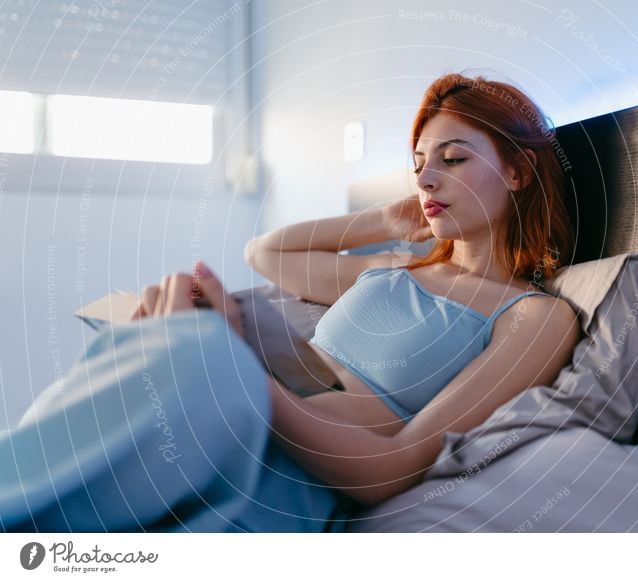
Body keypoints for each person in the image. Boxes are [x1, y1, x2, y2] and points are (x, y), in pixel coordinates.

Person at [1, 72, 580, 533]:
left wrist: (241, 368)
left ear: (517, 169)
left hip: (283, 475)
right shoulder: (390, 272)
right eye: (419, 164)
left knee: (195, 346)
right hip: (225, 422)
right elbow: (268, 252)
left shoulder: (535, 316)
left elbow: (393, 467)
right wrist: (376, 220)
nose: (426, 179)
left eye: (452, 159)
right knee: (147, 334)